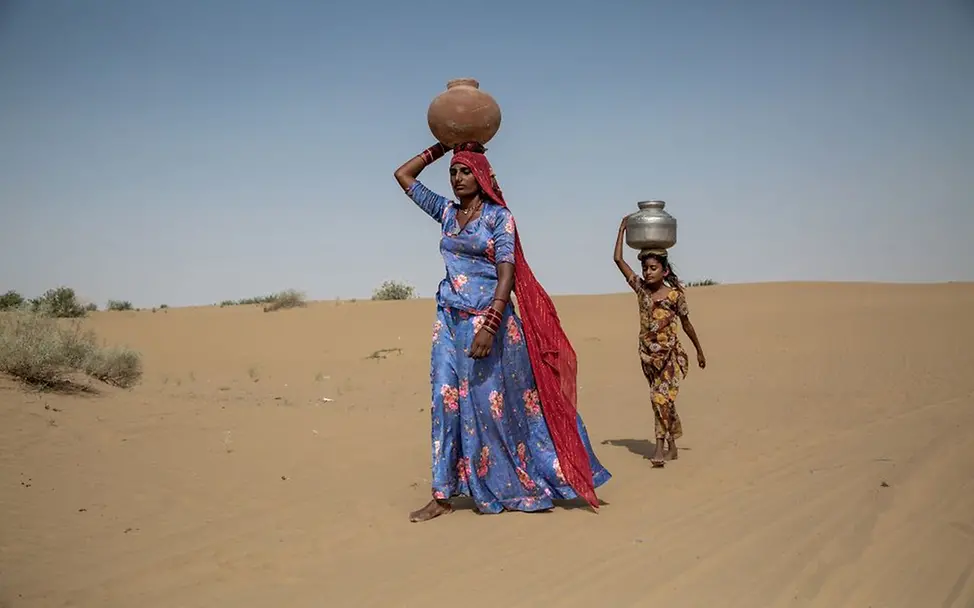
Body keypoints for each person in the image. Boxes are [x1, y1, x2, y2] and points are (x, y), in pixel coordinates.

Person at [394, 141, 611, 522]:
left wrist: (491, 325)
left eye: (466, 171)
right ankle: (442, 493)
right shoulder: (445, 212)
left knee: (489, 408)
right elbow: (403, 176)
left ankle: (513, 480)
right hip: (449, 319)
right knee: (444, 402)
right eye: (454, 172)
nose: (458, 179)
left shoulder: (498, 217)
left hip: (488, 323)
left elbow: (507, 273)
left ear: (481, 176)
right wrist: (441, 147)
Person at [613, 216, 706, 467]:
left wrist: (699, 351)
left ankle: (659, 448)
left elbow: (686, 324)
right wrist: (622, 230)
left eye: (653, 268)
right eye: (645, 268)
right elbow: (618, 260)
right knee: (663, 398)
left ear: (664, 271)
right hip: (647, 356)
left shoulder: (675, 296)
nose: (647, 272)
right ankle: (673, 445)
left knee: (659, 398)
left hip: (670, 356)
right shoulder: (641, 290)